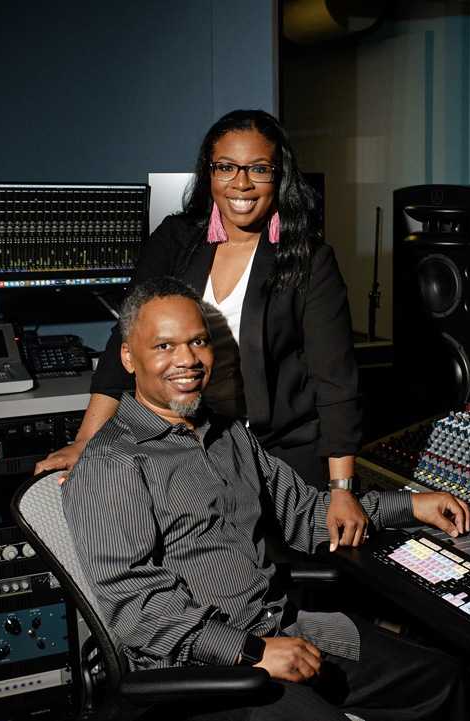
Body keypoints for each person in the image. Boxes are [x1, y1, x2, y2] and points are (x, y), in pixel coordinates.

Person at [62, 277, 470, 721]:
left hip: (282, 629)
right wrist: (251, 651)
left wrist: (410, 505)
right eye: (164, 347)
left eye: (197, 341)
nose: (186, 360)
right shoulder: (112, 462)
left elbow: (305, 515)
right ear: (129, 357)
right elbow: (135, 609)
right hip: (207, 669)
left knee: (445, 679)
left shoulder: (226, 435)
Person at [37, 109, 370, 547]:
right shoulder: (176, 240)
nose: (241, 184)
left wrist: (341, 491)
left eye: (259, 169)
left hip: (280, 451)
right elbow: (128, 343)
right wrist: (87, 442)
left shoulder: (308, 259)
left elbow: (335, 382)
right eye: (226, 167)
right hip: (192, 445)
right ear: (209, 172)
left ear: (280, 175)